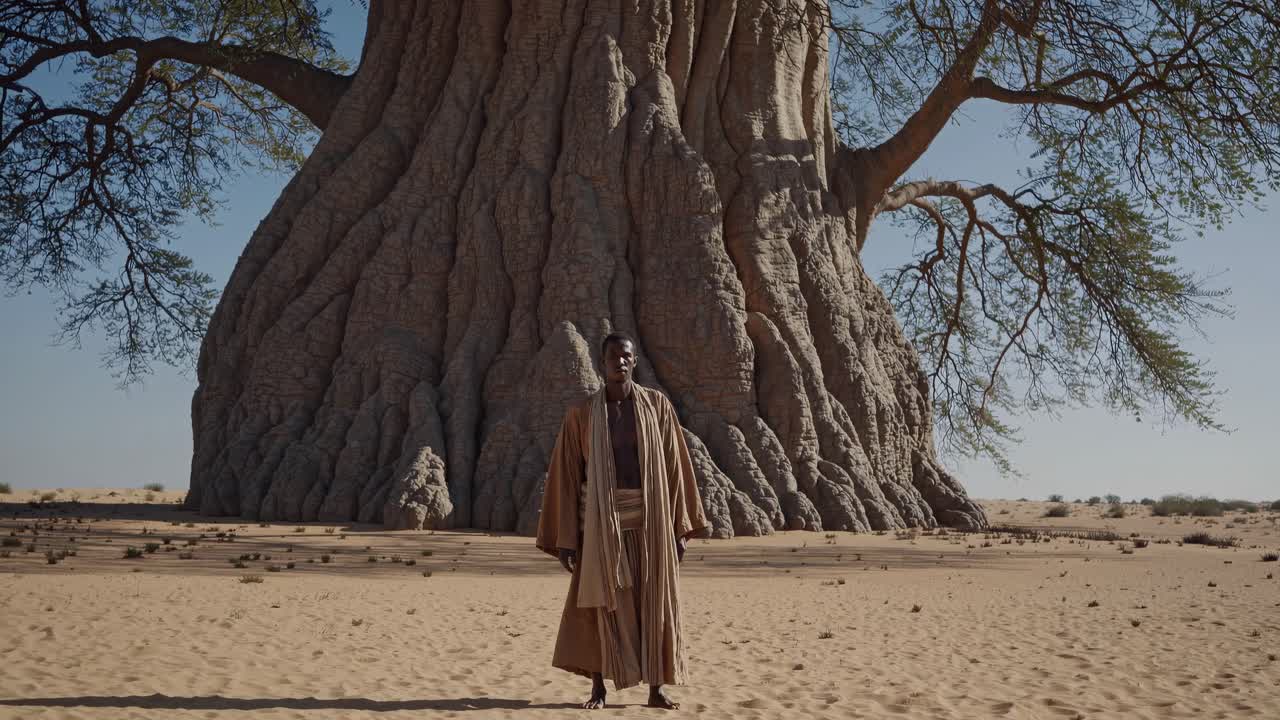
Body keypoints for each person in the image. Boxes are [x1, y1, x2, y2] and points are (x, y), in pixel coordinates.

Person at [536, 331, 709, 710]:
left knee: (655, 602)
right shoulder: (581, 415)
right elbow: (566, 477)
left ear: (635, 361)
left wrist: (680, 528)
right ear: (601, 363)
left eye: (627, 356)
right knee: (600, 602)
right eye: (613, 357)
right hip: (600, 522)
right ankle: (598, 688)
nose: (621, 362)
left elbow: (675, 467)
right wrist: (567, 538)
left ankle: (656, 689)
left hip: (651, 522)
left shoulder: (657, 407)